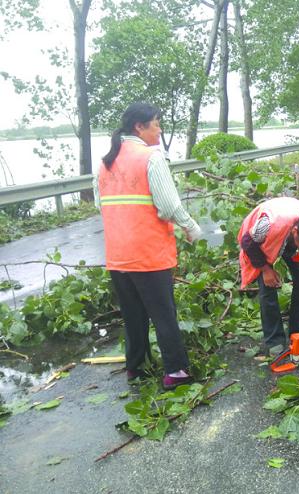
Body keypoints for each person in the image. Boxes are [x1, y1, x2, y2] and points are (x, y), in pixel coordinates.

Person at [94, 102, 202, 389]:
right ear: (139, 127)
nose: (160, 129)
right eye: (156, 123)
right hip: (148, 254)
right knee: (164, 315)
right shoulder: (151, 158)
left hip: (119, 256)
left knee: (133, 316)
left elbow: (99, 204)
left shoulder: (106, 163)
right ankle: (176, 372)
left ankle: (136, 368)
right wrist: (191, 227)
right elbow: (168, 205)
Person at [238, 197, 299, 355]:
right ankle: (274, 340)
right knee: (267, 288)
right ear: (295, 232)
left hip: (289, 239)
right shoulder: (269, 224)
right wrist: (265, 269)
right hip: (259, 242)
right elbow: (247, 241)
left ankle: (298, 331)